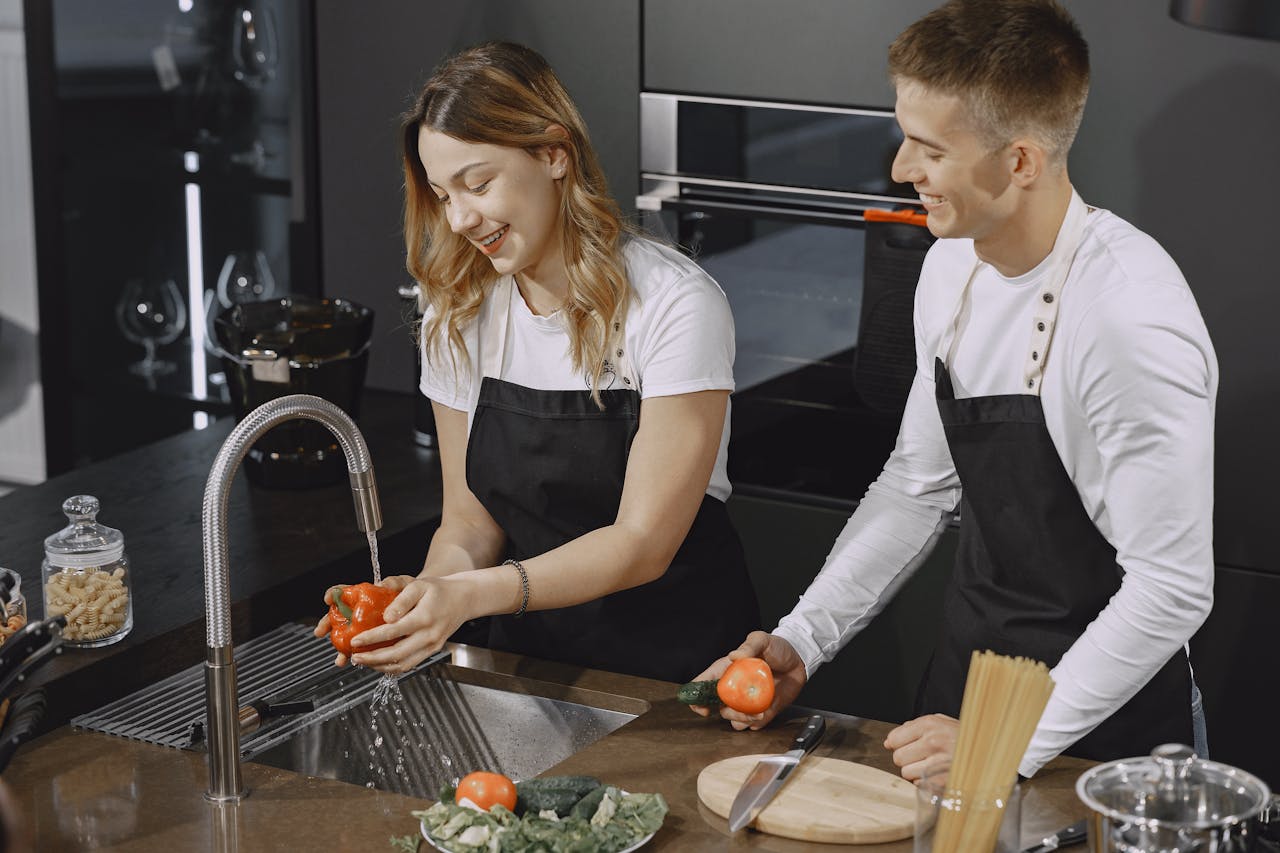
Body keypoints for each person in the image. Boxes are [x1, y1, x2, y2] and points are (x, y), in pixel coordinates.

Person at [691, 0, 1216, 781]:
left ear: (1022, 161)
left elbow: (1172, 588)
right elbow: (916, 484)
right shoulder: (951, 265)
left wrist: (1005, 740)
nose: (901, 169)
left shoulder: (1128, 316)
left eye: (929, 149)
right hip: (957, 702)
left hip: (1099, 737)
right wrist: (804, 637)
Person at [316, 41, 760, 683]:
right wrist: (422, 602)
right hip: (528, 664)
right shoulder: (459, 310)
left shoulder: (674, 303)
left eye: (478, 183)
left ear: (554, 153)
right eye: (442, 195)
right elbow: (469, 524)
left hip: (678, 666)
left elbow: (642, 543)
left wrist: (470, 596)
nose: (461, 219)